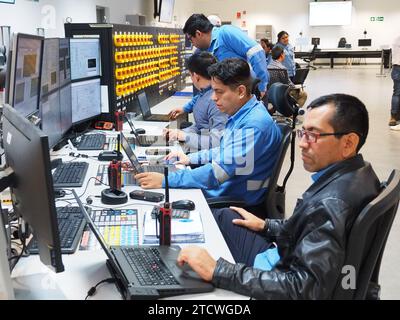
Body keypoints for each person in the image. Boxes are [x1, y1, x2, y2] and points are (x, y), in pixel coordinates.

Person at [176, 93, 381, 299]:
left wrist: (218, 270)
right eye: (303, 132)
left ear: (348, 143)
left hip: (279, 276)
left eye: (314, 134)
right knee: (226, 216)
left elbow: (303, 288)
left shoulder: (330, 204)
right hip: (288, 257)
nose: (302, 144)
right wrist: (267, 226)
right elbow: (313, 230)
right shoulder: (360, 174)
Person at [135, 58, 281, 206]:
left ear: (241, 91)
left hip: (233, 199)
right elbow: (225, 151)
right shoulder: (244, 114)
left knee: (157, 204)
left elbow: (216, 173)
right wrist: (190, 158)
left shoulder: (253, 125)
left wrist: (165, 180)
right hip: (227, 189)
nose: (213, 97)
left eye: (219, 91)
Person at [182, 14, 269, 101]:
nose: (192, 44)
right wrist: (188, 107)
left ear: (198, 34)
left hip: (251, 92)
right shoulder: (200, 52)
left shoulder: (226, 33)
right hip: (229, 99)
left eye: (191, 40)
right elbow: (205, 87)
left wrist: (261, 87)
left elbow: (256, 52)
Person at [165, 52, 228, 151]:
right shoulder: (204, 93)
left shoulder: (215, 101)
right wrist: (178, 133)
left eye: (190, 75)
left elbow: (217, 142)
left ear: (196, 76)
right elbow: (201, 126)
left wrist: (184, 136)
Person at [389, 35, 400, 130]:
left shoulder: (396, 39)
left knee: (397, 93)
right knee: (397, 94)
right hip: (398, 69)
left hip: (396, 68)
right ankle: (394, 116)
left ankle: (394, 117)